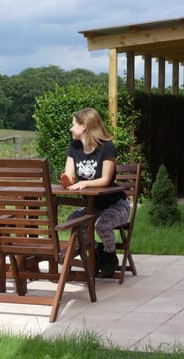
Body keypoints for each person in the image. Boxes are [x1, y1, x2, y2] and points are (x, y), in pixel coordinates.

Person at [60, 108, 130, 278]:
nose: (71, 128)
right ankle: (96, 251)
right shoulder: (74, 147)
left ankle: (110, 256)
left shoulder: (107, 147)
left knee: (101, 225)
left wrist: (83, 183)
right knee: (72, 221)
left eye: (73, 124)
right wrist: (67, 180)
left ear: (84, 126)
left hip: (116, 205)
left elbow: (105, 180)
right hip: (92, 207)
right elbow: (69, 175)